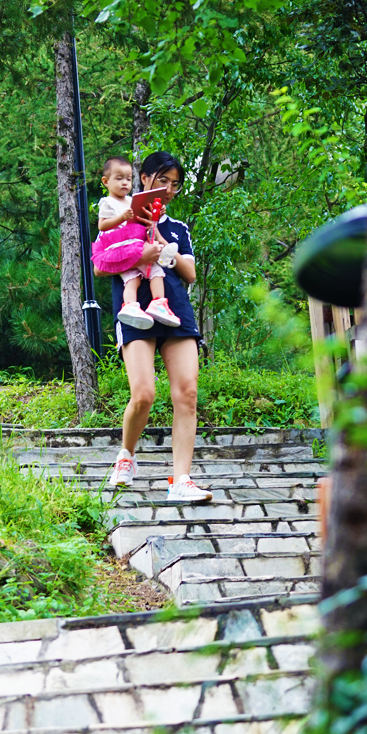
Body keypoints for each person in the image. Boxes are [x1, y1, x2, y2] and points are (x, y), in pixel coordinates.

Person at [99, 150, 212, 503]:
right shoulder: (120, 216)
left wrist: (162, 245)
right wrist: (140, 253)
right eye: (162, 181)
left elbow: (190, 273)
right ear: (143, 179)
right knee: (144, 394)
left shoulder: (177, 227)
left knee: (187, 394)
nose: (167, 189)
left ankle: (181, 479)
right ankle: (126, 455)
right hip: (134, 311)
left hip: (174, 309)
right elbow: (101, 265)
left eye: (175, 184)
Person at [93, 154, 181, 330]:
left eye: (128, 179)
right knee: (132, 279)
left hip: (137, 243)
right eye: (119, 179)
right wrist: (121, 217)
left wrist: (157, 212)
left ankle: (159, 303)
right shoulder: (107, 202)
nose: (125, 183)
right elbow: (102, 226)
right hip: (120, 247)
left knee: (156, 272)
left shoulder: (132, 200)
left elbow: (142, 220)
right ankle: (130, 306)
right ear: (105, 181)